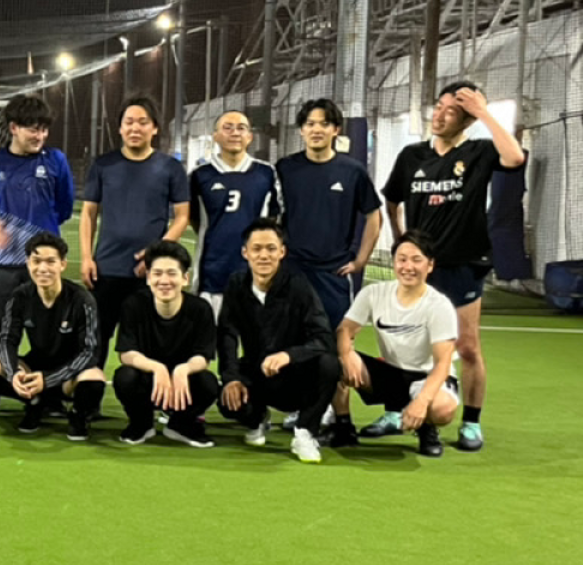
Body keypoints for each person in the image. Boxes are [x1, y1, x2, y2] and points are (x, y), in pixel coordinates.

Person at [375, 81, 526, 451]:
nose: (440, 116)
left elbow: (515, 158)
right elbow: (391, 200)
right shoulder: (412, 156)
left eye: (452, 111)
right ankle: (394, 411)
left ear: (467, 120)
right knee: (400, 344)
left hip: (463, 264)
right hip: (418, 268)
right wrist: (400, 238)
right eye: (438, 107)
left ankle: (471, 423)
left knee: (468, 346)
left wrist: (484, 112)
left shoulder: (479, 152)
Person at [0, 94, 74, 413]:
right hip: (3, 264)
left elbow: (65, 206)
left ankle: (51, 395)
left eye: (44, 129)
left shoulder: (55, 160)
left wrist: (39, 238)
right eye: (33, 129)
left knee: (50, 330)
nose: (39, 135)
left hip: (43, 267)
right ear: (14, 128)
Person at [80, 96, 189, 375]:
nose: (135, 128)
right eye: (129, 122)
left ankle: (152, 395)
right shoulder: (103, 165)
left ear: (155, 128)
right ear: (120, 128)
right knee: (96, 342)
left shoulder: (170, 167)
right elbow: (88, 214)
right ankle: (89, 395)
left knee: (149, 342)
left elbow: (182, 216)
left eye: (143, 122)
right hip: (106, 269)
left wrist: (157, 253)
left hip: (149, 273)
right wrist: (86, 257)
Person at [215, 219, 339, 463]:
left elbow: (324, 338)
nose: (264, 256)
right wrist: (231, 378)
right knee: (226, 399)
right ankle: (258, 418)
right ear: (245, 252)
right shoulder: (236, 285)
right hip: (258, 374)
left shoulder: (299, 287)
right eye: (257, 249)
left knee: (330, 365)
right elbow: (227, 334)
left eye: (271, 249)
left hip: (295, 379)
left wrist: (289, 355)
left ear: (282, 252)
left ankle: (305, 432)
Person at [328, 232, 460, 458]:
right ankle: (343, 427)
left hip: (427, 378)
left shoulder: (440, 306)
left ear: (430, 265)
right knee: (332, 360)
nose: (408, 267)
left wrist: (422, 402)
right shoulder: (374, 293)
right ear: (394, 263)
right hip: (391, 374)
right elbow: (344, 330)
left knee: (442, 409)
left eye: (416, 260)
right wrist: (347, 354)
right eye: (402, 259)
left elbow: (442, 364)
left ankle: (427, 429)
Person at [0, 232, 105, 441]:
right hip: (35, 367)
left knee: (94, 377)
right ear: (28, 264)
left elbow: (89, 352)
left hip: (69, 373)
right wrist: (14, 374)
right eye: (36, 261)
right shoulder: (20, 296)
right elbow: (7, 340)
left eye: (50, 261)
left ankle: (78, 415)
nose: (43, 268)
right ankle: (34, 403)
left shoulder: (82, 299)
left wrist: (48, 379)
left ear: (62, 264)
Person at [275, 98, 383, 327]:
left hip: (334, 274)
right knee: (288, 340)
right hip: (293, 270)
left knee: (335, 341)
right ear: (302, 130)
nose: (316, 129)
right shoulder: (285, 168)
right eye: (310, 124)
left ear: (336, 130)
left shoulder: (353, 171)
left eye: (324, 124)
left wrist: (361, 260)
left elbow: (374, 215)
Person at [112, 241, 220, 448]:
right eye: (157, 273)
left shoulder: (200, 309)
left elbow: (203, 356)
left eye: (171, 273)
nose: (164, 280)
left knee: (208, 383)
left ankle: (181, 425)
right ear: (148, 277)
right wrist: (156, 368)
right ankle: (141, 423)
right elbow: (126, 353)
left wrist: (183, 369)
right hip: (148, 381)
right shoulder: (134, 304)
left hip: (182, 384)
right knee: (125, 377)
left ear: (185, 278)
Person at [189, 110, 279, 314]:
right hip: (212, 272)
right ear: (215, 136)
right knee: (211, 331)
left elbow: (274, 218)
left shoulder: (266, 173)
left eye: (241, 128)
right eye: (227, 128)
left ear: (250, 136)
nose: (235, 133)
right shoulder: (200, 175)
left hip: (255, 273)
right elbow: (194, 219)